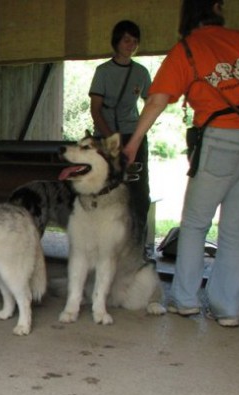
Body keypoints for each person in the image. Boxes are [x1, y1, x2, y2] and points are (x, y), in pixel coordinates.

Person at [123, 0, 239, 327]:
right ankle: (228, 309)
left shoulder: (188, 48)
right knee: (235, 228)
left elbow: (158, 99)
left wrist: (132, 143)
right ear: (217, 8)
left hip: (221, 138)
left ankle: (186, 300)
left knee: (195, 222)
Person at [89, 20, 152, 246]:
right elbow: (96, 110)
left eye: (135, 42)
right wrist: (110, 139)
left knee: (138, 194)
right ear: (117, 41)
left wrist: (138, 133)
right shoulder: (103, 71)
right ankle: (102, 244)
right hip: (106, 137)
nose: (131, 45)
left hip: (133, 137)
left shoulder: (141, 72)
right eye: (127, 40)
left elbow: (152, 103)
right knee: (105, 192)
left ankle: (136, 246)